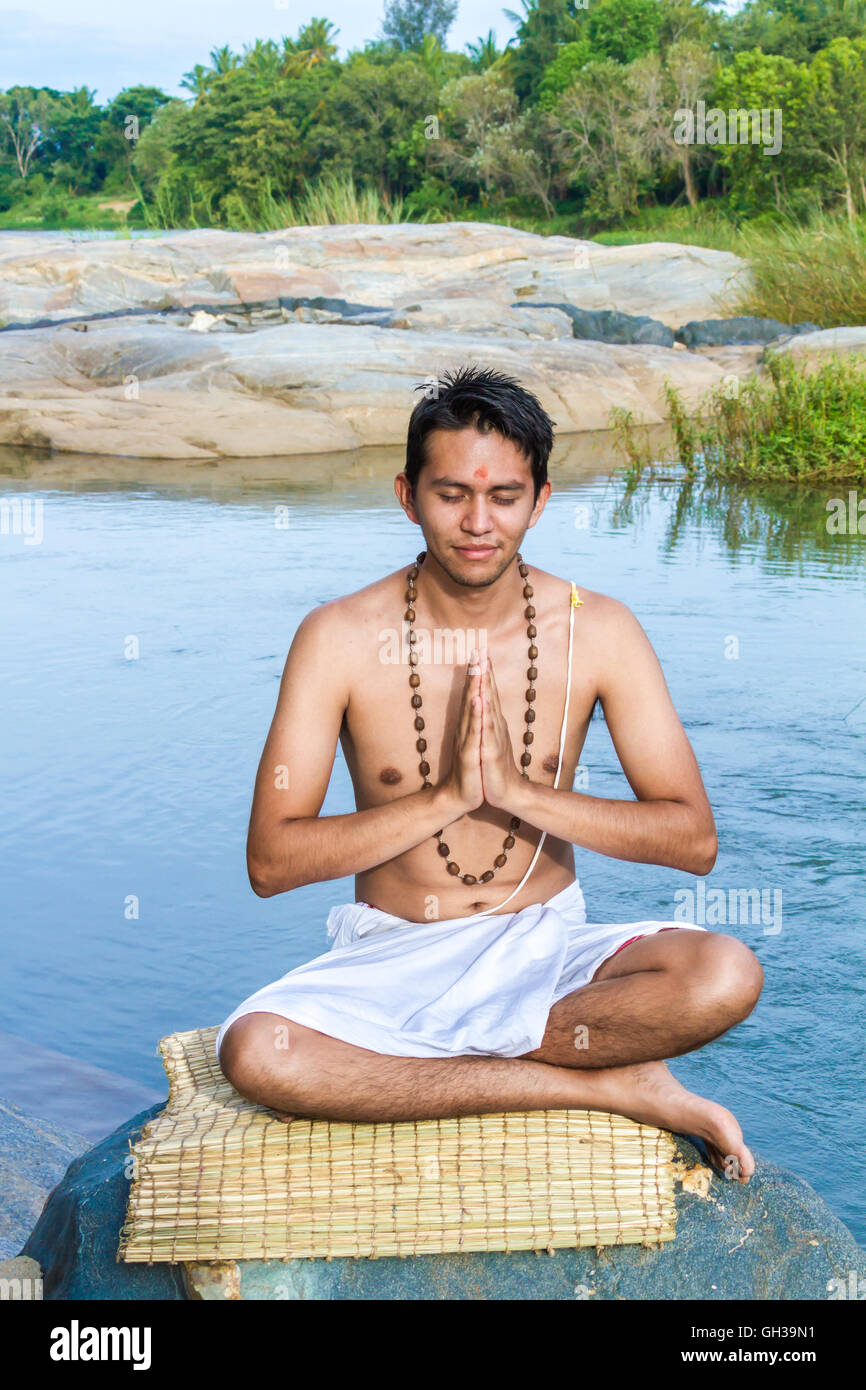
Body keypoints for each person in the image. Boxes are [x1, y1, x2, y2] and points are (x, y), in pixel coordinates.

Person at [217, 364, 764, 1183]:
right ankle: (604, 1087)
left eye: (504, 496)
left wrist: (521, 795)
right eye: (451, 495)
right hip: (394, 958)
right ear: (407, 495)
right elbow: (270, 863)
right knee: (257, 1054)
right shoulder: (335, 637)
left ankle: (495, 1066)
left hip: (546, 951)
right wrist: (443, 800)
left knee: (724, 974)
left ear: (540, 500)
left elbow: (694, 840)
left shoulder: (601, 630)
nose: (478, 522)